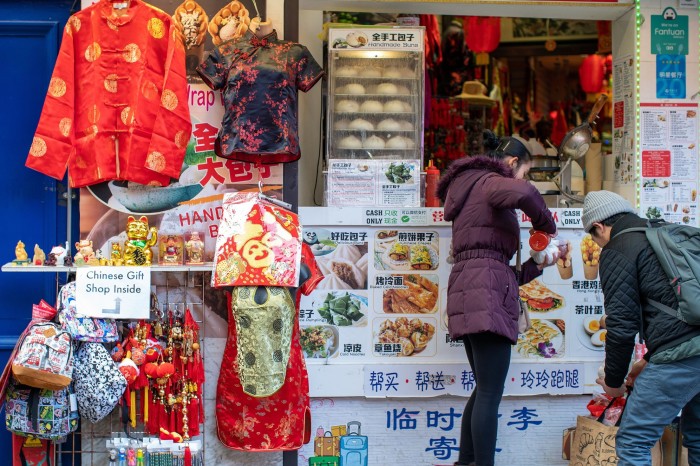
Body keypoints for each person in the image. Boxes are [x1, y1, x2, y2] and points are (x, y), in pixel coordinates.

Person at [437, 131, 558, 466]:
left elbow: (498, 269)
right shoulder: (490, 181)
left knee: (483, 389)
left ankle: (466, 462)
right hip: (484, 290)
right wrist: (546, 227)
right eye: (524, 170)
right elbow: (525, 192)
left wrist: (536, 265)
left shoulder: (471, 187)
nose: (523, 178)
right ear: (513, 163)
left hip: (472, 288)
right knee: (489, 392)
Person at [582, 190, 700, 466]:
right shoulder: (664, 233)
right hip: (687, 348)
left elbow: (622, 326)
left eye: (595, 238)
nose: (598, 245)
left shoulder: (618, 249)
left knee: (633, 442)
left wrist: (613, 383)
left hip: (681, 358)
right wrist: (645, 360)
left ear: (599, 226)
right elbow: (675, 307)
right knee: (697, 438)